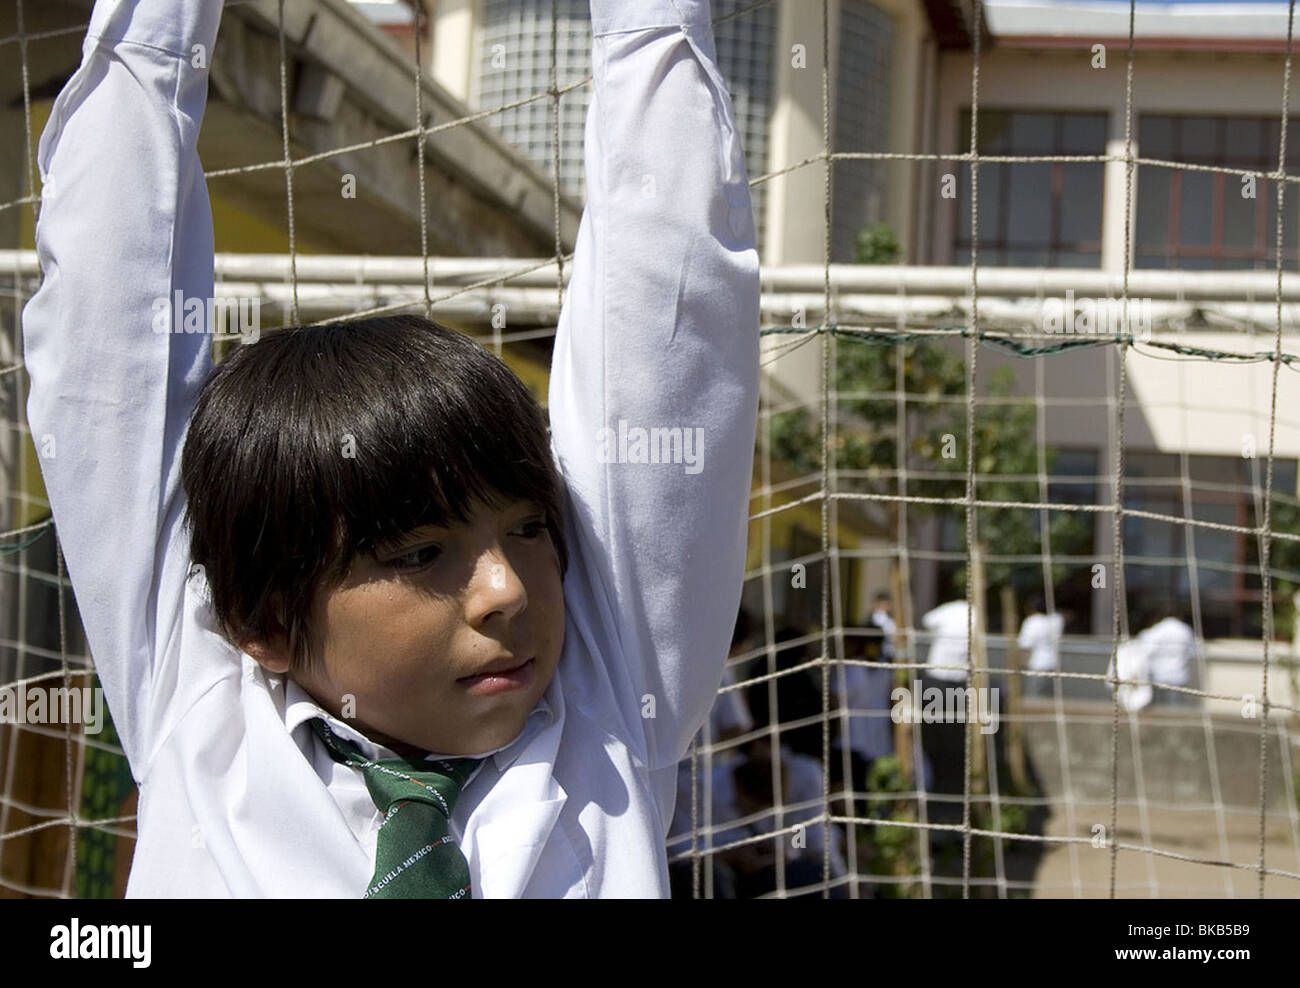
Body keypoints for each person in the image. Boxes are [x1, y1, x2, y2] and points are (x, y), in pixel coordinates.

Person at [23, 0, 759, 897]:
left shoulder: (610, 700)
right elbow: (109, 323)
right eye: (420, 553)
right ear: (262, 624)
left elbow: (670, 300)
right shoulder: (195, 692)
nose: (509, 590)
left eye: (529, 529)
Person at [1136, 610, 1198, 708]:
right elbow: (1193, 651)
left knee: (1158, 707)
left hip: (1159, 674)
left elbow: (1146, 648)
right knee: (1175, 707)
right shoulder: (1185, 630)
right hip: (1178, 674)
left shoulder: (1158, 629)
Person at [1017, 593, 1065, 699]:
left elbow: (1025, 647)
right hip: (1054, 665)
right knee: (1050, 702)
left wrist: (1020, 667)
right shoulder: (1057, 619)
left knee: (1032, 700)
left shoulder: (1032, 622)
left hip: (1036, 666)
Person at [920, 598, 971, 682]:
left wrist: (935, 632)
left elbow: (927, 620)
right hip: (959, 673)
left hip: (937, 670)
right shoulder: (974, 612)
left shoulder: (949, 608)